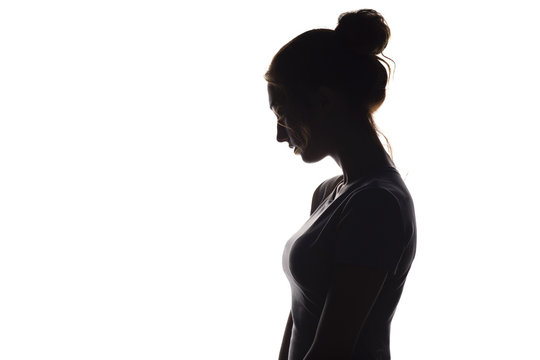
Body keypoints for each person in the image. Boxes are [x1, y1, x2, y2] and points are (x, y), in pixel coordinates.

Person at [265, 9, 417, 360]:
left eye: (282, 115)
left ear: (324, 102)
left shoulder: (377, 203)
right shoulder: (328, 193)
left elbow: (332, 350)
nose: (278, 135)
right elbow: (300, 319)